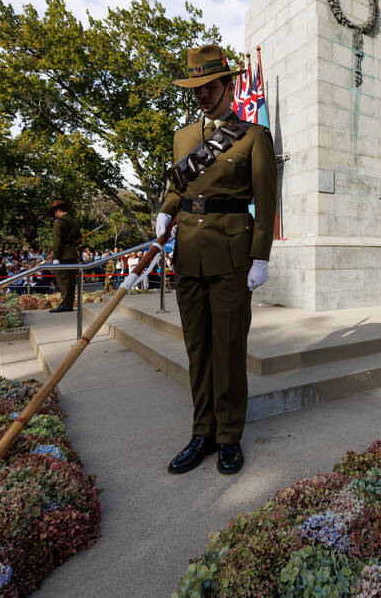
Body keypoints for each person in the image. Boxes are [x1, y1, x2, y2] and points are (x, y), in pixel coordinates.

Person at [155, 44, 277, 476]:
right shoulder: (184, 137)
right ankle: (201, 432)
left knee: (227, 349)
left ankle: (228, 436)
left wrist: (260, 255)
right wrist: (166, 209)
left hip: (231, 253)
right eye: (196, 88)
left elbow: (266, 200)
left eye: (209, 86)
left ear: (229, 85)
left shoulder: (253, 137)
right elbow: (180, 185)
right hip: (188, 251)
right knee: (198, 348)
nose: (202, 95)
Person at [49, 200, 81, 313]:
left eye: (55, 211)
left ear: (58, 211)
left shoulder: (58, 222)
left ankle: (65, 304)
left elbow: (57, 241)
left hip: (62, 256)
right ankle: (69, 304)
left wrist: (55, 258)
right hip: (72, 254)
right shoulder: (73, 221)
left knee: (63, 282)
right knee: (71, 281)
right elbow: (78, 239)